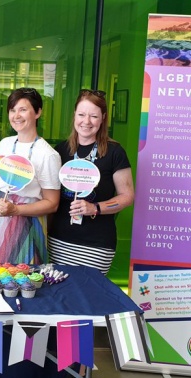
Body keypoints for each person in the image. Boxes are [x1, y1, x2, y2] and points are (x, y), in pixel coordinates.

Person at [48, 89, 135, 274]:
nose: (86, 121)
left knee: (89, 298)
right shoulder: (60, 151)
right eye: (81, 114)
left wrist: (95, 208)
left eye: (94, 116)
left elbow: (127, 196)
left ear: (103, 118)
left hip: (96, 245)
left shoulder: (114, 152)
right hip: (58, 240)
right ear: (74, 116)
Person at [0, 88, 61, 264]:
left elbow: (52, 203)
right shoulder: (4, 144)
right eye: (12, 110)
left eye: (23, 109)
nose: (16, 115)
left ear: (38, 112)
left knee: (21, 278)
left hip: (26, 223)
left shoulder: (47, 154)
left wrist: (16, 210)